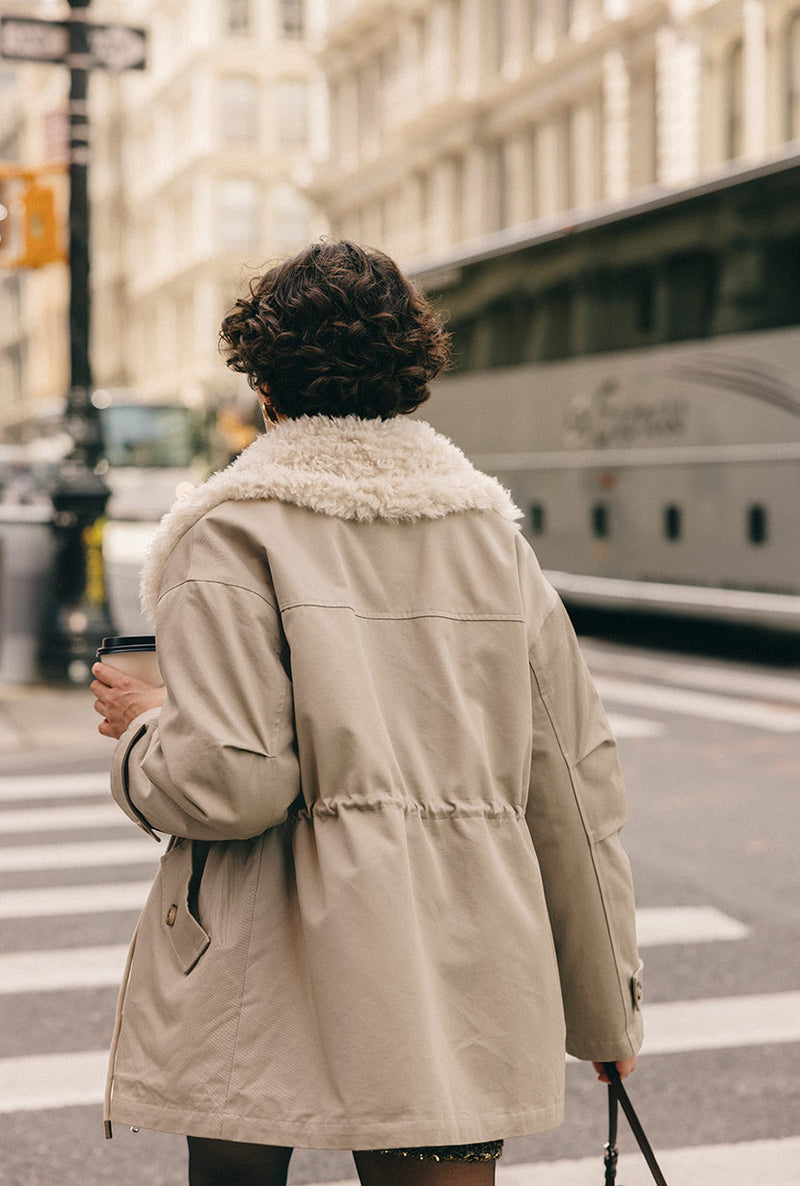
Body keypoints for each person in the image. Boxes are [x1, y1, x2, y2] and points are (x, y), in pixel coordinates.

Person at [91, 240, 643, 1186]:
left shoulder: (229, 532)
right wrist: (606, 1012)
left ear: (264, 384)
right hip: (455, 959)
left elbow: (229, 778)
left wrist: (148, 722)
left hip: (258, 967)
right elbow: (572, 785)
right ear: (412, 376)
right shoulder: (491, 539)